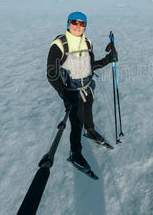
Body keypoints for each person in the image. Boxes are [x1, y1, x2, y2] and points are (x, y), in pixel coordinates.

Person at [46, 11, 117, 171]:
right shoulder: (59, 45)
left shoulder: (87, 43)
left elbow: (90, 67)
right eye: (75, 22)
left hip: (88, 87)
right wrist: (64, 94)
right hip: (70, 91)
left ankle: (90, 131)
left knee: (88, 112)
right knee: (76, 124)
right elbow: (51, 74)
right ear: (68, 23)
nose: (78, 26)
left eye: (82, 23)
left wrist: (108, 59)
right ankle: (75, 153)